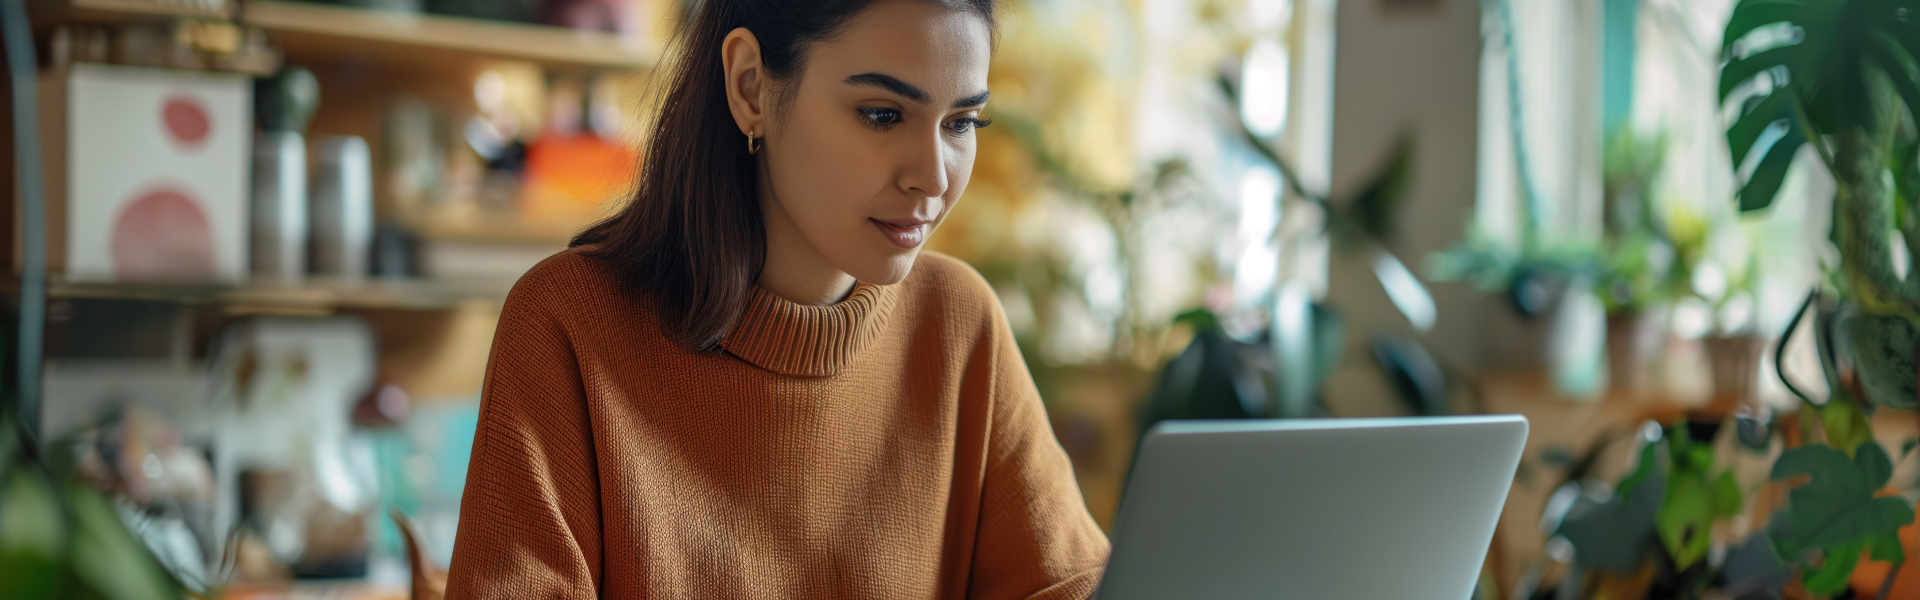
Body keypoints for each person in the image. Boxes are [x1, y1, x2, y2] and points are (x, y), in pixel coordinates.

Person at [442, 0, 1111, 598]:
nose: (932, 178)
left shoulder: (960, 324)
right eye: (882, 115)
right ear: (750, 86)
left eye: (962, 122)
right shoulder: (567, 324)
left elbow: (1073, 583)